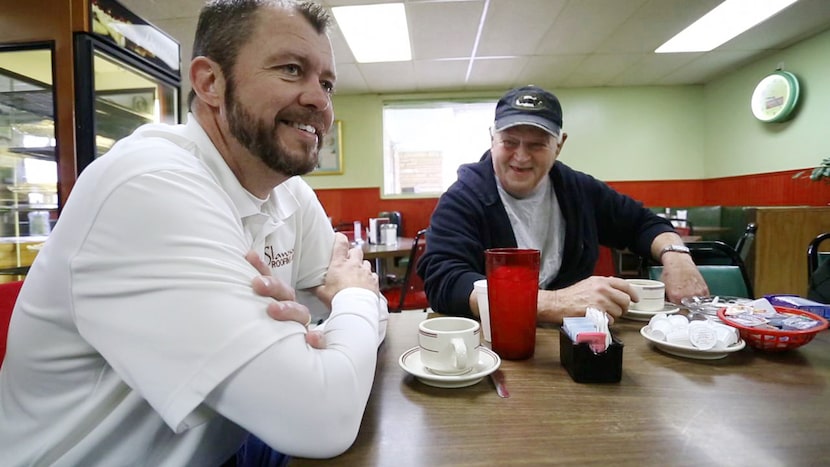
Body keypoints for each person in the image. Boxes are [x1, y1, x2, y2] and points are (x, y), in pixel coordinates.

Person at [0, 1, 387, 465]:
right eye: (291, 69)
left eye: (326, 83)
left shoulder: (288, 192)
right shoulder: (146, 184)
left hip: (227, 444)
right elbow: (323, 418)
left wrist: (341, 318)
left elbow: (375, 322)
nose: (319, 100)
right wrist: (353, 299)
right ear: (210, 82)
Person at [418, 85, 708, 325]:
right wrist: (553, 302)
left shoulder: (578, 189)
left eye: (537, 145)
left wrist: (677, 256)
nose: (521, 156)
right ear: (492, 139)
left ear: (559, 144)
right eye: (509, 142)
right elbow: (444, 281)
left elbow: (642, 223)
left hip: (578, 343)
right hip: (494, 346)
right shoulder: (464, 197)